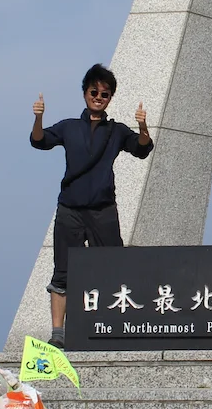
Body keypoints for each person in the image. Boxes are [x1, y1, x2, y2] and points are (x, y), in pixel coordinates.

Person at [30, 63, 153, 347]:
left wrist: (143, 125)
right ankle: (58, 334)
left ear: (111, 97)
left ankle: (113, 325)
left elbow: (142, 148)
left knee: (114, 267)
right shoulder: (69, 127)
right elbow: (39, 141)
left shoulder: (117, 131)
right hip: (70, 209)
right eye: (94, 91)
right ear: (85, 93)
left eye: (105, 94)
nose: (99, 97)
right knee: (62, 272)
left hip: (103, 210)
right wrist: (38, 118)